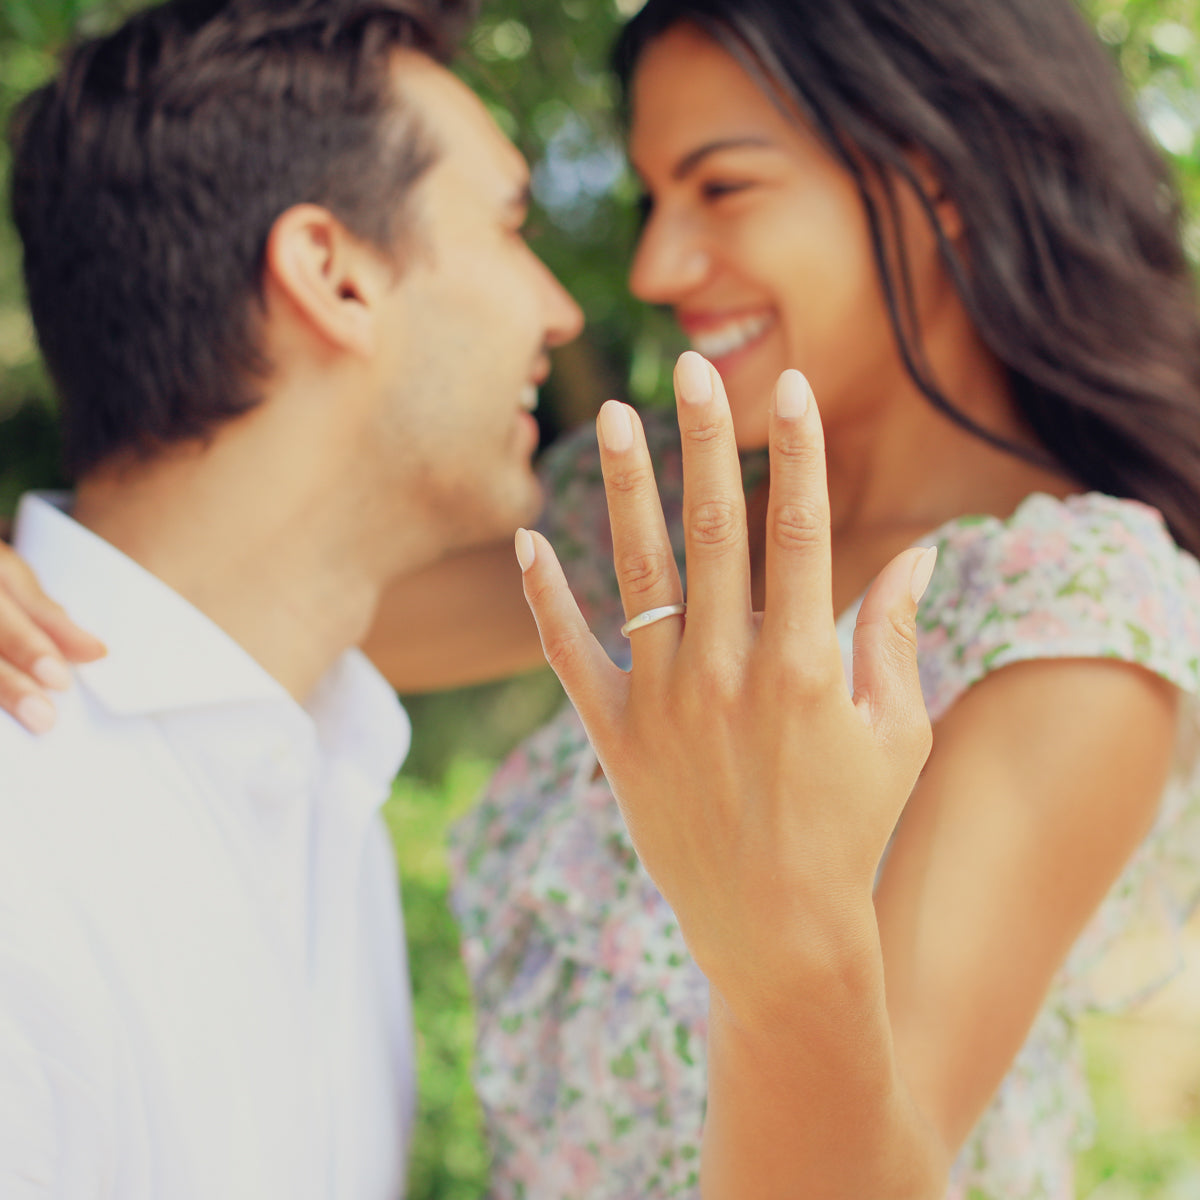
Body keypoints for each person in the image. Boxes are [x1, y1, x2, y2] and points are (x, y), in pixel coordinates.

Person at [5, 0, 1200, 1196]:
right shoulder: (665, 516)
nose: (654, 267)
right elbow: (223, 593)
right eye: (649, 200)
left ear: (936, 177)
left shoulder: (1072, 614)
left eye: (722, 189)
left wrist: (778, 945)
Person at [0, 0, 586, 1194]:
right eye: (509, 225)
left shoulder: (326, 781)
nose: (559, 311)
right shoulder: (29, 835)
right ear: (335, 273)